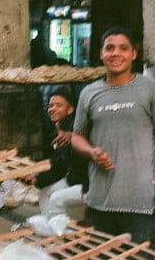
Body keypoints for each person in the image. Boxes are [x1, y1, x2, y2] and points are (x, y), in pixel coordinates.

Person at [71, 26, 155, 244]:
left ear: (133, 54)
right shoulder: (88, 93)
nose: (116, 53)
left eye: (123, 48)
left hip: (141, 202)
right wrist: (91, 151)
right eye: (109, 48)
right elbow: (76, 137)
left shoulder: (151, 89)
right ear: (101, 53)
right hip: (100, 201)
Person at [22, 87, 89, 218]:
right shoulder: (56, 131)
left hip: (90, 184)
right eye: (51, 105)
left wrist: (71, 138)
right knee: (43, 191)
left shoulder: (77, 130)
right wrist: (37, 179)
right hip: (73, 179)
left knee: (56, 199)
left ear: (70, 110)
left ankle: (58, 232)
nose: (53, 109)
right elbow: (59, 166)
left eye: (59, 105)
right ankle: (50, 228)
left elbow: (62, 163)